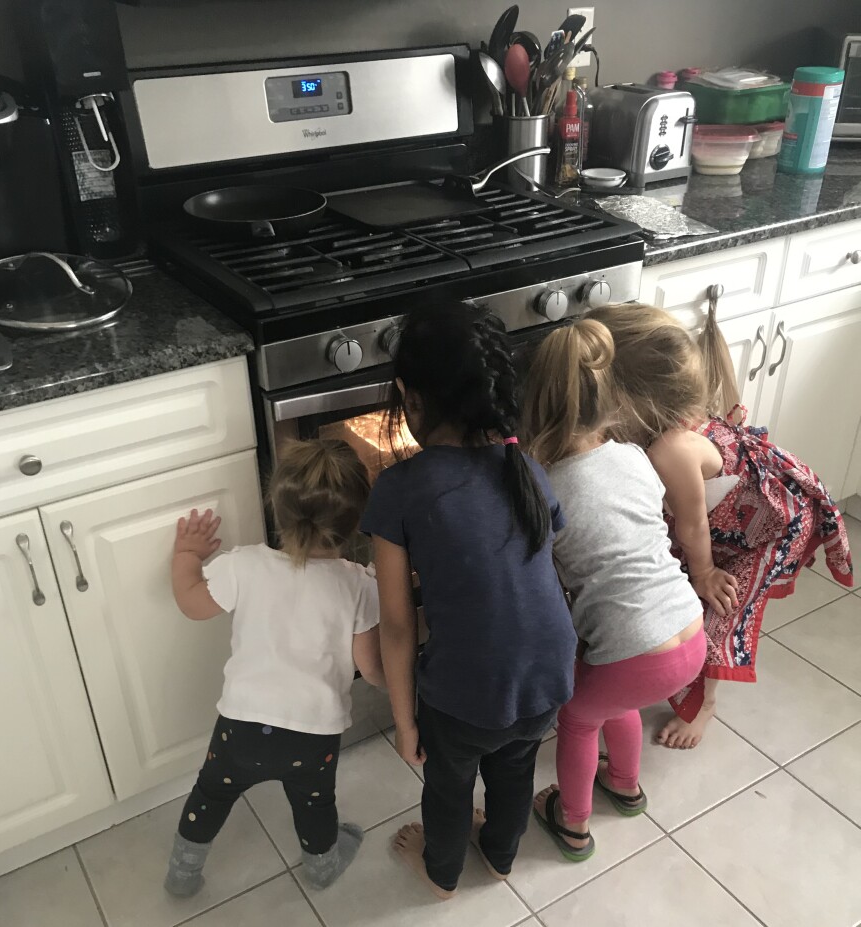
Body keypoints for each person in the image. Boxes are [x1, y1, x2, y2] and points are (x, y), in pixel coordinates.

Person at [361, 302, 577, 899]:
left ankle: (441, 874)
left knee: (450, 786)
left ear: (412, 399)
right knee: (514, 769)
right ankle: (502, 857)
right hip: (549, 677)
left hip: (463, 696)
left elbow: (398, 627)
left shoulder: (399, 488)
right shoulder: (526, 465)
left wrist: (405, 724)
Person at [589, 302, 854, 749]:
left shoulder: (670, 449)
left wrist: (704, 573)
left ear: (628, 400)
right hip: (726, 520)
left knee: (719, 614)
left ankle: (706, 706)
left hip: (767, 528)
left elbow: (691, 528)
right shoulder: (657, 421)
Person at [164, 439, 386, 897]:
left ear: (277, 507)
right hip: (313, 734)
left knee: (211, 794)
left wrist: (186, 556)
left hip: (240, 728)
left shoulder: (243, 566)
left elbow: (191, 604)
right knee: (315, 802)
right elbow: (371, 668)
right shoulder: (360, 586)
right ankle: (322, 865)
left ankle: (183, 873)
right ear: (356, 523)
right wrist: (407, 689)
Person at [522, 319, 705, 861]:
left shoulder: (545, 485)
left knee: (579, 717)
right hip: (689, 633)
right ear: (611, 402)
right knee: (617, 693)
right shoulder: (634, 458)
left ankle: (573, 823)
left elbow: (542, 569)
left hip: (633, 651)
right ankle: (624, 784)